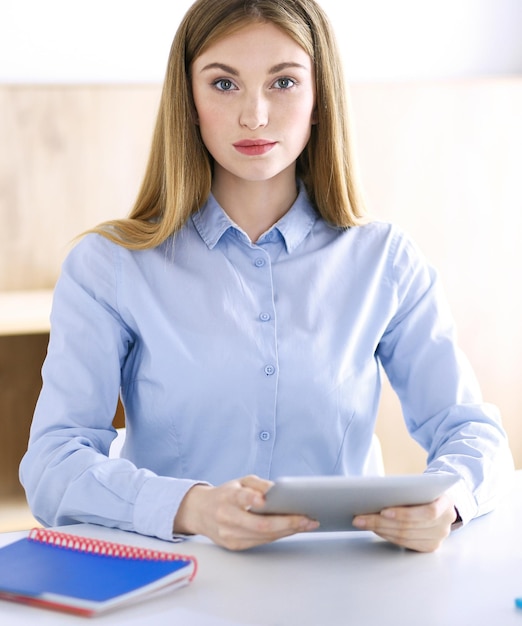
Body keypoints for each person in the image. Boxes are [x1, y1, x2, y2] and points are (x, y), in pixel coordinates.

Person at [20, 0, 513, 553]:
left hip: (345, 586)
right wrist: (193, 508)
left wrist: (449, 503)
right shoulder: (109, 264)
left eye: (283, 82)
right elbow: (53, 463)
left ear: (318, 98)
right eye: (224, 84)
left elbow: (474, 432)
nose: (255, 115)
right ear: (189, 101)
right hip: (177, 588)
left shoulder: (386, 260)